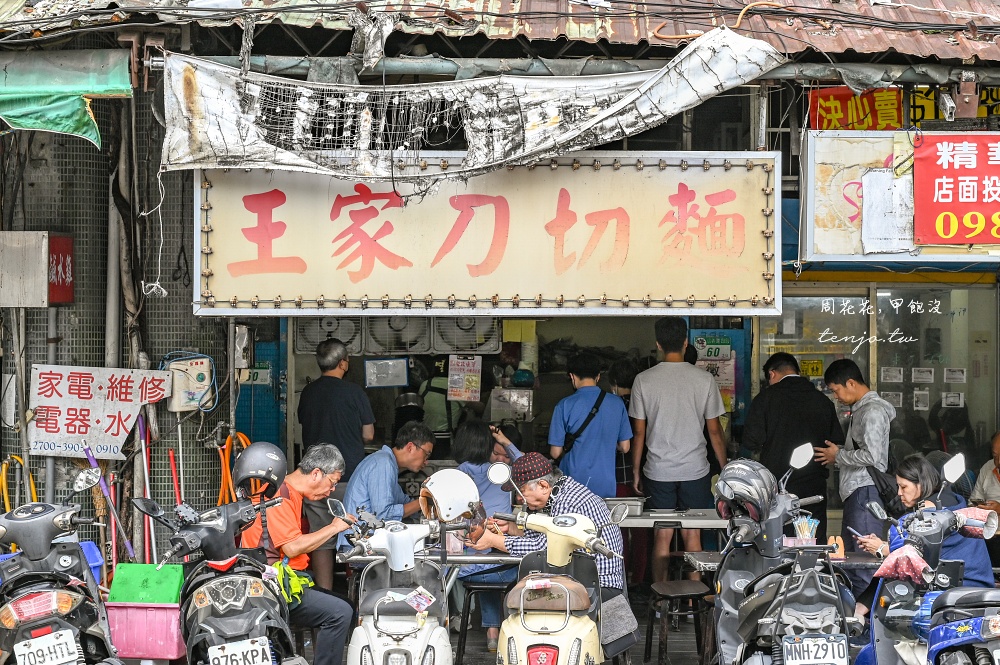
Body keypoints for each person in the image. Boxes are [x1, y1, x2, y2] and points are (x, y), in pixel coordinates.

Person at [629, 317, 728, 583]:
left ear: (658, 344)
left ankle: (661, 599)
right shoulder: (704, 379)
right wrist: (725, 468)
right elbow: (715, 431)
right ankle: (694, 597)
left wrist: (636, 471)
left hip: (658, 471)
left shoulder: (643, 380)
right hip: (695, 470)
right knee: (692, 533)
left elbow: (639, 433)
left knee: (662, 535)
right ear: (686, 342)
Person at [239, 444, 354, 665]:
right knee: (339, 612)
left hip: (287, 580)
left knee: (344, 605)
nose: (332, 490)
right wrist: (334, 527)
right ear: (316, 473)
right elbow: (292, 547)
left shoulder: (291, 493)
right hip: (272, 587)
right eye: (332, 482)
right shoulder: (280, 496)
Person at [470, 452, 626, 597]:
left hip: (597, 586)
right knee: (514, 590)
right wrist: (512, 529)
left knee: (517, 596)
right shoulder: (564, 491)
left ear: (543, 486)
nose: (518, 498)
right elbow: (548, 534)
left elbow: (544, 550)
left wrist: (493, 540)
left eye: (521, 491)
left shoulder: (568, 501)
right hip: (583, 580)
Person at [854, 454, 993, 614]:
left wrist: (882, 548)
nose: (899, 493)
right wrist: (883, 546)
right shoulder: (955, 502)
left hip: (959, 589)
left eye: (904, 487)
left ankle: (859, 612)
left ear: (921, 484)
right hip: (980, 584)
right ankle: (860, 610)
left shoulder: (929, 513)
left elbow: (902, 552)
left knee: (891, 576)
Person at [813, 358, 895, 597]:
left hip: (865, 492)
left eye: (836, 390)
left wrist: (838, 455)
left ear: (850, 383)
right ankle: (853, 613)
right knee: (851, 561)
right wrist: (839, 453)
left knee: (864, 562)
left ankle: (866, 614)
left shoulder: (872, 411)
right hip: (857, 492)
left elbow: (873, 456)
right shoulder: (862, 409)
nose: (836, 396)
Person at [297, 338, 375, 589]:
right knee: (357, 534)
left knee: (321, 537)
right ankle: (359, 592)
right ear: (343, 363)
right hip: (350, 477)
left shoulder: (308, 393)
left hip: (315, 478)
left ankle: (325, 593)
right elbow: (369, 435)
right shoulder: (354, 392)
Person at [743, 352, 845, 541]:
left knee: (777, 542)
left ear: (772, 374)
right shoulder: (822, 401)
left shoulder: (765, 399)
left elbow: (751, 441)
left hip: (777, 486)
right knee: (812, 541)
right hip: (813, 487)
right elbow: (835, 442)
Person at [452, 422, 522, 651]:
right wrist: (507, 444)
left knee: (486, 565)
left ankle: (492, 631)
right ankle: (493, 630)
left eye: (506, 455)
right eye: (496, 453)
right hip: (482, 543)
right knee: (488, 565)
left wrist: (503, 442)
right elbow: (524, 463)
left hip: (491, 544)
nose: (501, 460)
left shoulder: (505, 473)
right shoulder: (476, 470)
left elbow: (527, 467)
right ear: (486, 448)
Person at [339, 421, 435, 547]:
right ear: (410, 447)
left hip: (368, 542)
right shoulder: (383, 464)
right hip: (359, 545)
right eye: (426, 454)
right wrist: (425, 501)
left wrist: (431, 503)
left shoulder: (388, 464)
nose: (426, 462)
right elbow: (383, 515)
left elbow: (404, 502)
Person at [549, 353, 632, 498]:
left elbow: (555, 453)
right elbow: (625, 447)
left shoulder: (563, 405)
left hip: (572, 485)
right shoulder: (617, 404)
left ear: (572, 376)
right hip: (605, 484)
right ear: (598, 377)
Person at [969, 431, 1000, 566]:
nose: (998, 462)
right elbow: (973, 501)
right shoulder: (988, 468)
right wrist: (979, 509)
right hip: (989, 538)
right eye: (995, 456)